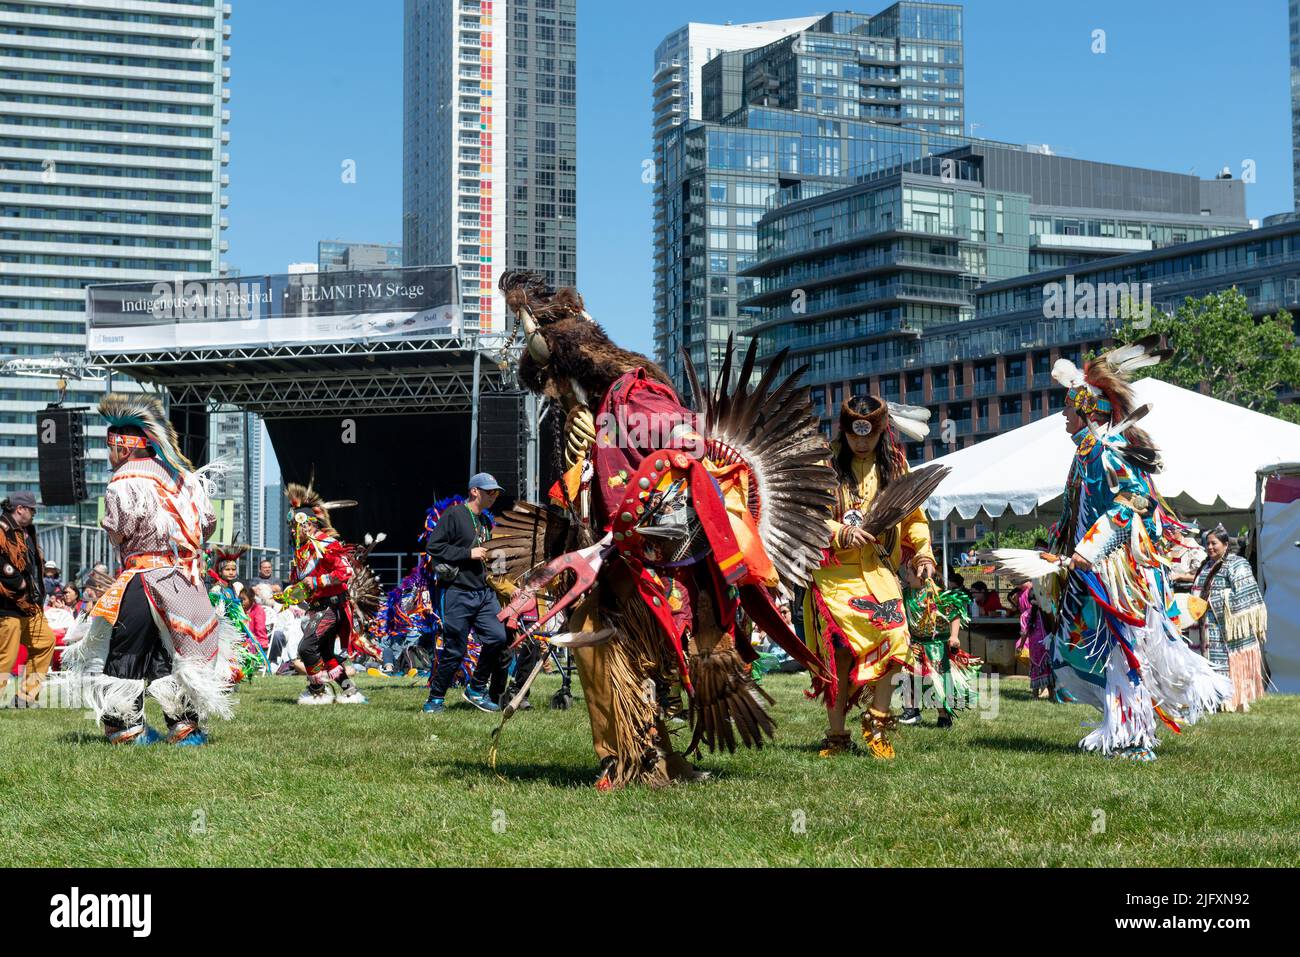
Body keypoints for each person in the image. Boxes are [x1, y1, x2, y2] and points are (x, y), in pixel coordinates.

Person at [491, 271, 829, 788]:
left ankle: (651, 760)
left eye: (555, 385)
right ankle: (634, 761)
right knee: (606, 655)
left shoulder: (636, 393)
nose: (556, 398)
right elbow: (589, 498)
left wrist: (619, 445)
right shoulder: (598, 410)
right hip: (620, 567)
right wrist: (583, 455)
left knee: (643, 660)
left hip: (662, 564)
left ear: (572, 366)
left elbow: (682, 449)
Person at [1033, 341, 1231, 760]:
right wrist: (1063, 552)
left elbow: (1135, 501)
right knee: (1094, 645)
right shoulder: (1086, 455)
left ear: (1087, 411)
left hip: (1122, 575)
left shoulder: (1106, 452)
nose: (1062, 417)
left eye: (1068, 409)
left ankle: (1133, 737)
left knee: (1123, 649)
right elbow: (1078, 513)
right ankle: (1123, 728)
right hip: (1097, 571)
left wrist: (1092, 546)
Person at [59, 394, 239, 745]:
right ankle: (185, 728)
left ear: (124, 447)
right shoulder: (184, 480)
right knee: (171, 652)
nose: (109, 456)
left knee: (124, 652)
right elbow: (208, 524)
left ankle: (124, 728)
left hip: (142, 580)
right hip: (183, 582)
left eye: (111, 448)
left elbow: (117, 527)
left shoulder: (125, 480)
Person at [804, 395, 938, 759]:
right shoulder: (824, 464)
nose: (861, 442)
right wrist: (839, 532)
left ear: (881, 431)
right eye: (854, 435)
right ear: (844, 431)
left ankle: (877, 724)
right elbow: (807, 513)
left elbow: (914, 518)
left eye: (868, 435)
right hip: (834, 575)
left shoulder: (896, 466)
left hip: (879, 572)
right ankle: (836, 736)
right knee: (840, 654)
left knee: (897, 639)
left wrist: (923, 552)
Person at [278, 480, 374, 705]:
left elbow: (346, 571)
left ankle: (317, 690)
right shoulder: (301, 551)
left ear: (309, 524)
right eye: (291, 527)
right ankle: (350, 691)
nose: (293, 530)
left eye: (296, 526)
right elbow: (302, 582)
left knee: (306, 648)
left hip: (332, 606)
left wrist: (317, 581)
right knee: (326, 654)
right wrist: (291, 593)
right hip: (318, 607)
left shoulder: (326, 544)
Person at [422, 473, 510, 714]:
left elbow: (487, 554)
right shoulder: (454, 514)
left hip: (484, 593)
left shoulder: (485, 522)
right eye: (489, 491)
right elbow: (434, 547)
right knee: (455, 650)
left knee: (497, 638)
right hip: (458, 592)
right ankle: (435, 699)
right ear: (474, 491)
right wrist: (467, 554)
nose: (494, 496)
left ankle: (476, 688)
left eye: (496, 492)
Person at [1191, 527, 1267, 712]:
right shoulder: (1205, 565)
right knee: (1209, 662)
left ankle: (1231, 700)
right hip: (1205, 625)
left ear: (1225, 545)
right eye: (1207, 543)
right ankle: (1213, 700)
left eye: (1213, 543)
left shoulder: (1236, 564)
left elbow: (1245, 592)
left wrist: (1215, 599)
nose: (1209, 547)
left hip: (1228, 627)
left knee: (1225, 660)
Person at [900, 565, 979, 728]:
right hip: (915, 643)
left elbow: (954, 614)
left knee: (938, 681)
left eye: (909, 574)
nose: (906, 577)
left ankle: (943, 715)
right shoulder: (907, 594)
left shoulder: (937, 594)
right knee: (908, 674)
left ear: (920, 577)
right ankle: (911, 710)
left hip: (936, 646)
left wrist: (954, 636)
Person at [0, 492, 57, 709]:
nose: (33, 513)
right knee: (6, 656)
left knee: (45, 642)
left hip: (29, 605)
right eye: (32, 509)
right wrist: (17, 582)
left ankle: (25, 697)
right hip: (7, 605)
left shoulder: (26, 531)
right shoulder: (2, 529)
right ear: (19, 509)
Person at [1014, 579, 1052, 699]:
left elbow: (1024, 633)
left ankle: (1035, 696)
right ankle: (1052, 695)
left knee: (1035, 669)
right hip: (1046, 645)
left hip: (1034, 647)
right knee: (1048, 669)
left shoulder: (1025, 615)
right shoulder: (1046, 612)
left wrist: (1020, 646)